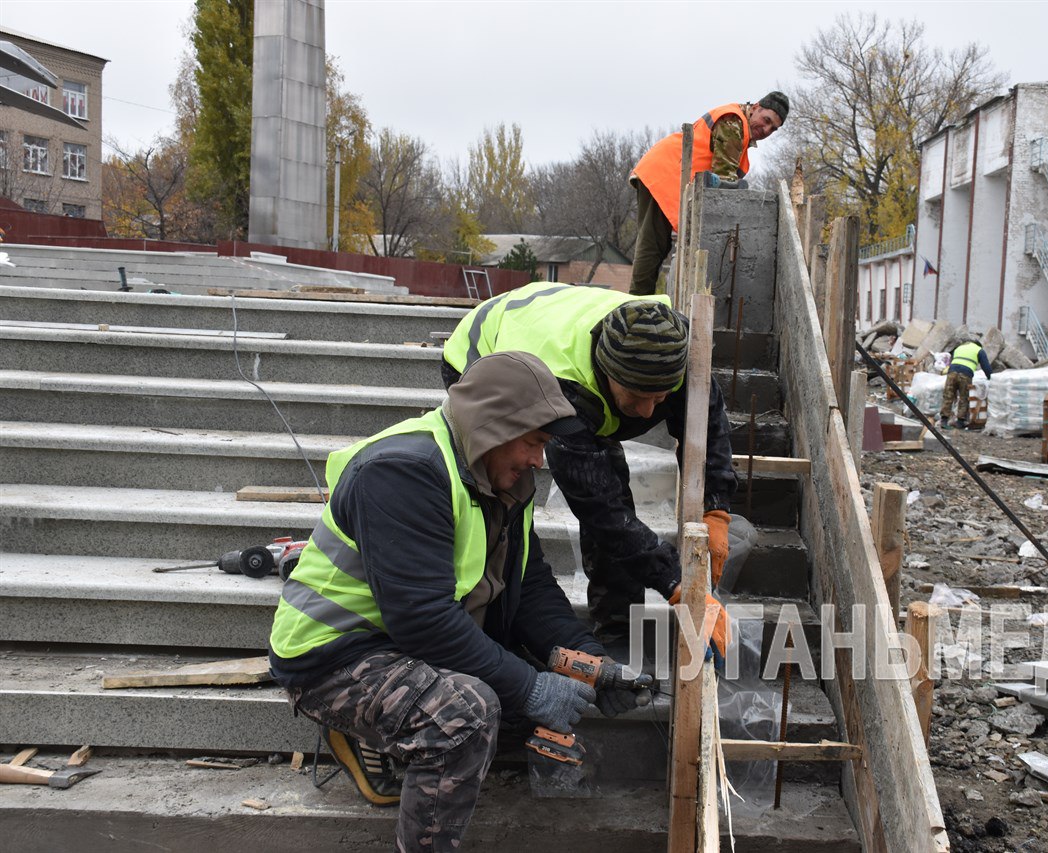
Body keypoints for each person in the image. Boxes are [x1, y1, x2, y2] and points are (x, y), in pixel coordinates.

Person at [269, 352, 647, 850]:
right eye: (534, 442)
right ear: (494, 428)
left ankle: (384, 735)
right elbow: (422, 619)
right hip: (336, 657)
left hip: (406, 643)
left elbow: (529, 587)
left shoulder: (501, 476)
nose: (539, 460)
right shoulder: (402, 471)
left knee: (523, 706)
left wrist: (590, 662)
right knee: (467, 716)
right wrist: (531, 686)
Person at [441, 282, 734, 658]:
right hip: (482, 347)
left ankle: (618, 629)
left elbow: (707, 428)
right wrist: (676, 584)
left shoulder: (676, 350)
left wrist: (716, 508)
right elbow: (602, 509)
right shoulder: (563, 390)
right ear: (607, 375)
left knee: (609, 477)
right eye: (636, 397)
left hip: (558, 318)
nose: (648, 413)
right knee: (504, 492)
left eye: (660, 398)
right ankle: (496, 624)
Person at [628, 92, 790, 296]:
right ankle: (636, 305)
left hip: (672, 175)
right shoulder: (733, 123)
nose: (766, 130)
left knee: (658, 245)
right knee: (653, 245)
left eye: (773, 129)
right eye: (766, 120)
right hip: (665, 172)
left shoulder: (740, 127)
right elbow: (724, 184)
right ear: (756, 107)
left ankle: (641, 302)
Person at [940, 339, 993, 429]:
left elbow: (953, 360)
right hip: (965, 373)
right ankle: (960, 422)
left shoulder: (959, 347)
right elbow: (986, 367)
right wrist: (991, 378)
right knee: (964, 397)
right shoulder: (979, 350)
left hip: (952, 372)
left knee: (948, 395)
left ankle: (944, 420)